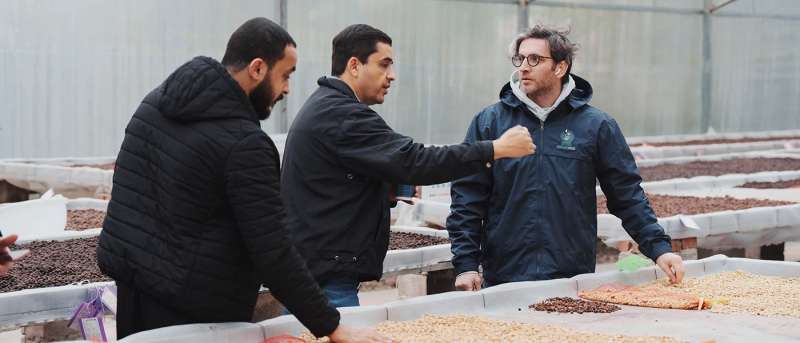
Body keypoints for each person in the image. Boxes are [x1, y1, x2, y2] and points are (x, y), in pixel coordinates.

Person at [96, 18, 389, 342]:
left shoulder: (154, 104)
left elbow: (129, 197)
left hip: (135, 296)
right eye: (285, 75)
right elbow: (273, 251)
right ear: (258, 69)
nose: (287, 89)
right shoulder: (246, 144)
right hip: (196, 315)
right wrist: (333, 327)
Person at [281, 24, 536, 307]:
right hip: (328, 285)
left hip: (318, 274)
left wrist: (382, 191)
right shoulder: (343, 116)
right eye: (384, 65)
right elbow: (416, 161)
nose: (392, 76)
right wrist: (495, 148)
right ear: (354, 65)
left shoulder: (327, 107)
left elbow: (345, 178)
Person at [447, 24, 685, 291]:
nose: (524, 66)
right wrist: (466, 265)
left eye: (535, 59)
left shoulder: (596, 126)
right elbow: (467, 198)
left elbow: (626, 194)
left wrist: (660, 249)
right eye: (520, 58)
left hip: (572, 276)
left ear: (560, 67)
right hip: (505, 273)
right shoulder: (490, 122)